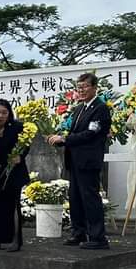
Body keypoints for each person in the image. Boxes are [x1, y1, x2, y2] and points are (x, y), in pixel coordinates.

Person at [46, 73, 111, 250]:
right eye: (79, 87)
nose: (81, 90)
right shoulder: (80, 108)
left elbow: (90, 134)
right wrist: (59, 139)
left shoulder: (100, 108)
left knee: (90, 198)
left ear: (95, 87)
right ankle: (79, 232)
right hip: (74, 161)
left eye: (85, 87)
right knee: (75, 198)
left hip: (88, 161)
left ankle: (98, 238)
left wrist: (64, 139)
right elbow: (75, 133)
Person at [0, 100, 29, 251]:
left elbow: (25, 145)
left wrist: (20, 156)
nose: (0, 116)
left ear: (9, 114)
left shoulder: (17, 127)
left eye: (4, 113)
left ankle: (16, 240)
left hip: (13, 173)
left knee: (12, 206)